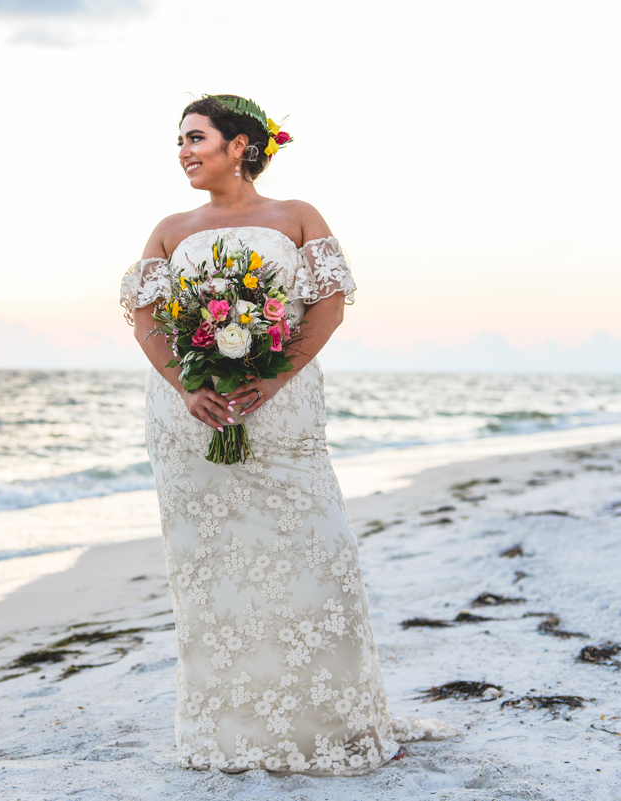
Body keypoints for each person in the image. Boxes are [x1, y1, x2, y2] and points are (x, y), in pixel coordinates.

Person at [119, 94, 452, 775]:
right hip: (192, 417)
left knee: (313, 558)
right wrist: (189, 387)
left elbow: (327, 307)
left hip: (281, 409)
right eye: (179, 141)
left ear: (240, 145)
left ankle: (330, 724)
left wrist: (275, 379)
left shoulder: (298, 217)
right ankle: (232, 733)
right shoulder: (168, 228)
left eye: (196, 137)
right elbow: (148, 319)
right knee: (211, 574)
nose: (183, 151)